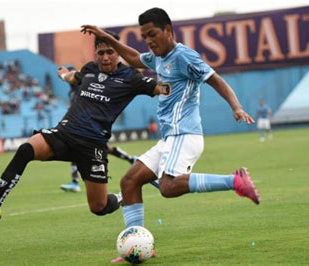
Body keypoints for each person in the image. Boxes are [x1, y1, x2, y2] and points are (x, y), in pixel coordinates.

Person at [82, 8, 260, 262]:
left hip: (184, 134)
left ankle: (235, 181)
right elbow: (133, 58)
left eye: (153, 34)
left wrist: (236, 106)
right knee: (130, 182)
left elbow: (215, 79)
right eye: (145, 36)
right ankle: (137, 245)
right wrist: (105, 36)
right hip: (170, 138)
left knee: (168, 187)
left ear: (168, 31)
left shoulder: (184, 56)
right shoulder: (158, 57)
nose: (149, 41)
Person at [0, 31, 170, 224]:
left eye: (110, 52)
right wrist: (64, 75)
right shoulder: (90, 69)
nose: (105, 57)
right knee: (26, 149)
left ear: (118, 53)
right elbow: (73, 77)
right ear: (95, 54)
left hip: (92, 146)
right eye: (101, 53)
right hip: (64, 135)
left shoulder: (131, 77)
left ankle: (124, 196)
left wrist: (175, 80)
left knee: (99, 207)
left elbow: (160, 88)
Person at [61, 145, 137, 192]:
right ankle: (131, 159)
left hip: (94, 134)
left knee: (106, 148)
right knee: (77, 153)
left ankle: (131, 159)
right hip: (90, 133)